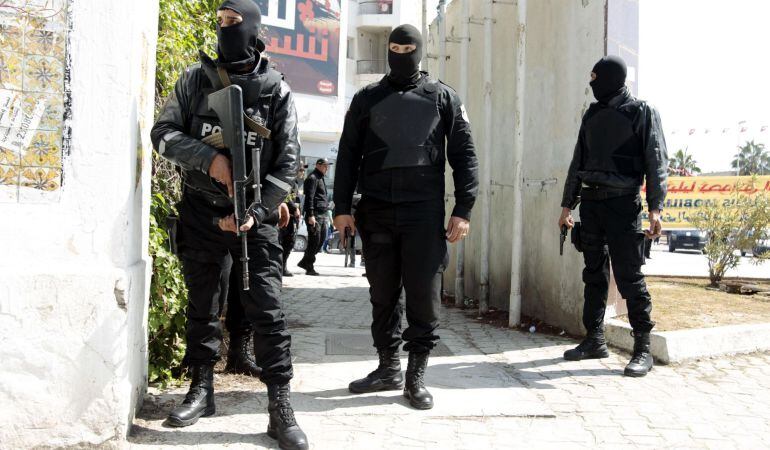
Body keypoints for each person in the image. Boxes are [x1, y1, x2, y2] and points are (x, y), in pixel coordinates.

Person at [151, 2, 308, 448]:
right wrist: (210, 159)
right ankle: (202, 389)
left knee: (268, 310)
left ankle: (280, 407)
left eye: (233, 23)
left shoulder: (276, 91)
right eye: (219, 22)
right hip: (201, 209)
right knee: (203, 304)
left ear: (254, 29)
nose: (224, 30)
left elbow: (289, 163)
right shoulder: (194, 80)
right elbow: (162, 133)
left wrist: (256, 212)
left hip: (253, 219)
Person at [333, 24, 478, 410]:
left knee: (422, 297)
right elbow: (347, 155)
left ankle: (415, 377)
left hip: (422, 214)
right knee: (382, 295)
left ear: (420, 51)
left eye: (407, 47)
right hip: (376, 212)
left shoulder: (444, 97)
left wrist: (463, 209)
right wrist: (341, 208)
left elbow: (464, 156)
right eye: (394, 47)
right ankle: (387, 368)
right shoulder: (366, 98)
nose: (400, 53)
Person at [558, 55, 667, 378]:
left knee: (629, 276)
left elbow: (655, 161)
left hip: (623, 205)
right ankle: (594, 339)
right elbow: (578, 161)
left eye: (595, 78)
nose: (592, 85)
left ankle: (642, 349)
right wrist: (567, 206)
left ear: (609, 79)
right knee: (593, 274)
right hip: (591, 203)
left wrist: (656, 208)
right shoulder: (592, 114)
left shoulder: (641, 112)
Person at [297, 159, 331, 275]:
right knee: (314, 241)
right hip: (315, 214)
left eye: (328, 166)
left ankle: (305, 261)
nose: (327, 168)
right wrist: (311, 215)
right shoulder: (312, 178)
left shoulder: (320, 177)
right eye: (325, 166)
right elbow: (309, 198)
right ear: (318, 165)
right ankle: (309, 266)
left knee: (321, 241)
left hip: (323, 214)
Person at [279, 185, 301, 277]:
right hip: (285, 216)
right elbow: (285, 195)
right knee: (281, 243)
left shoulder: (295, 182)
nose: (302, 172)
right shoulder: (288, 178)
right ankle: (279, 267)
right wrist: (294, 208)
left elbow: (296, 199)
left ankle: (283, 267)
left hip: (293, 218)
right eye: (300, 170)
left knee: (289, 243)